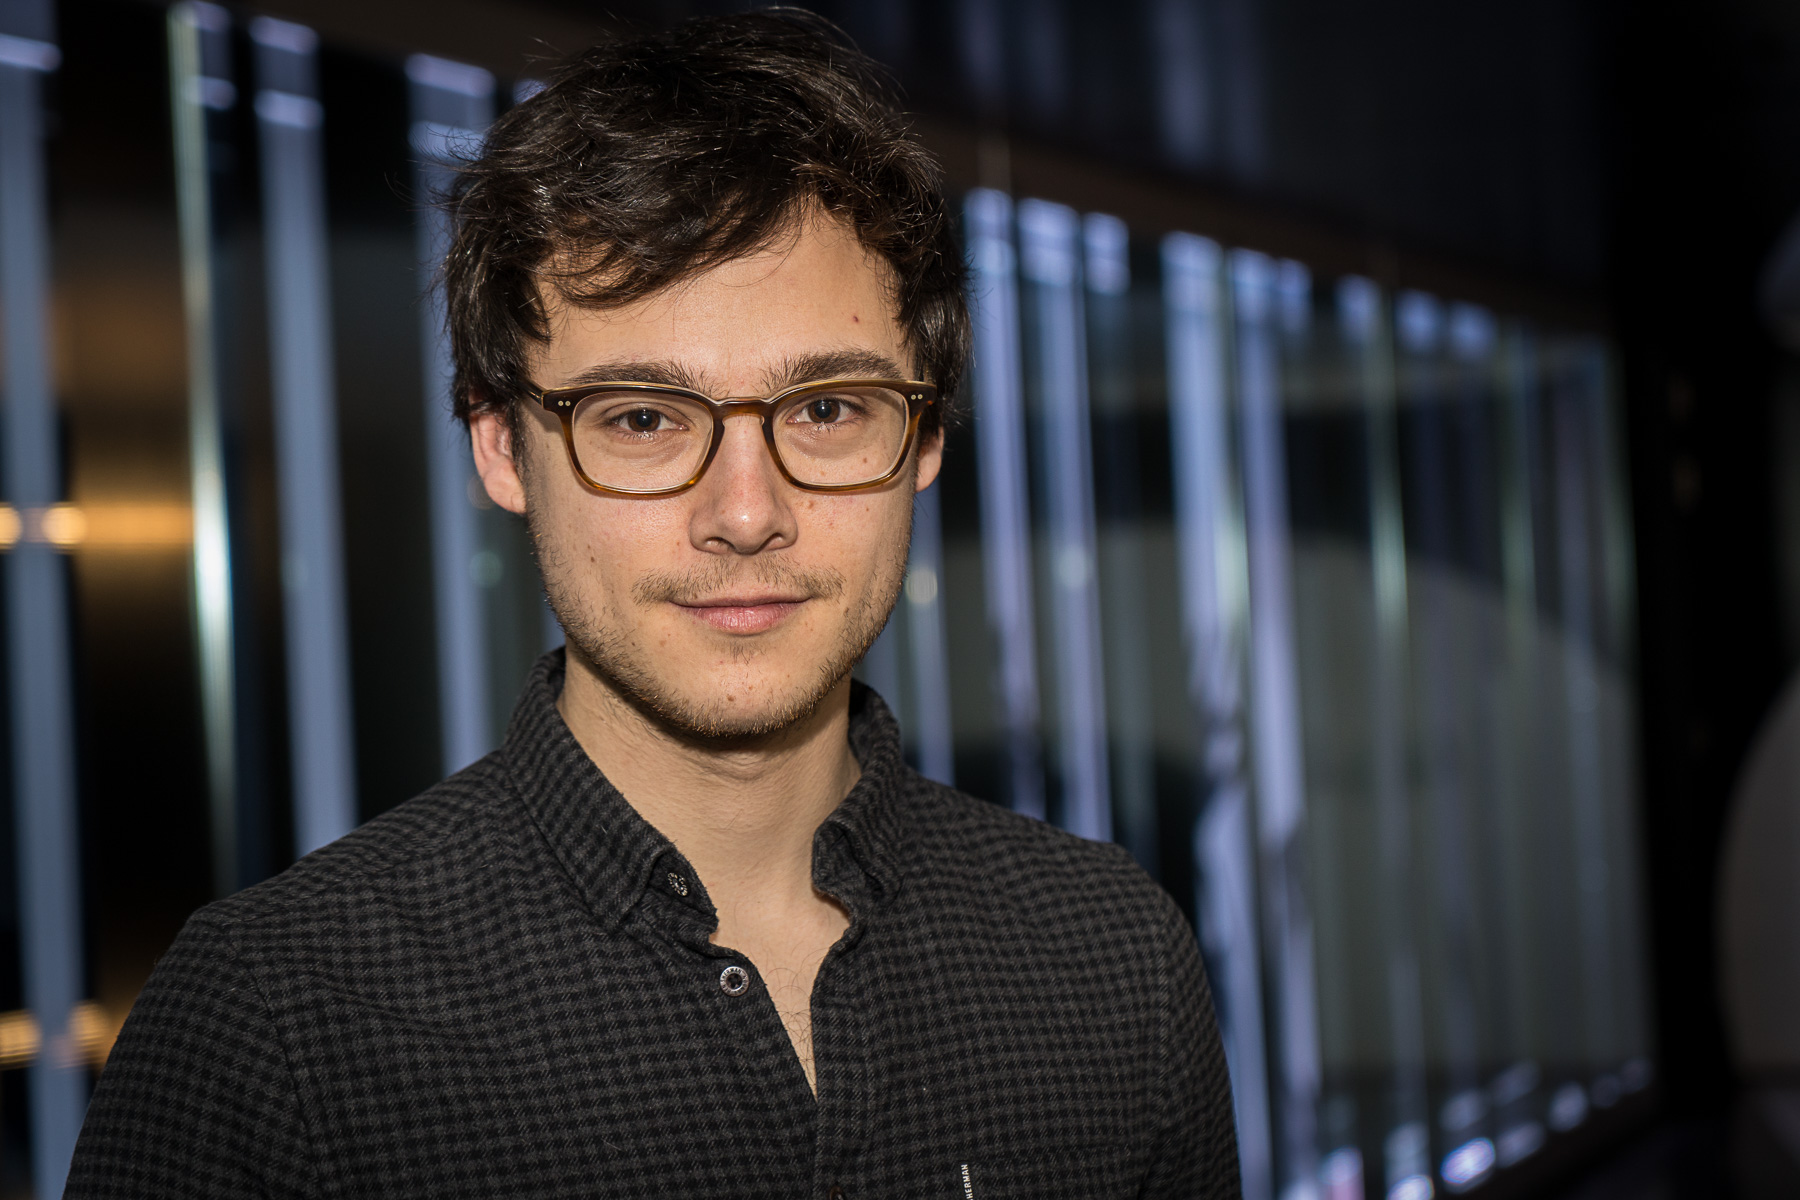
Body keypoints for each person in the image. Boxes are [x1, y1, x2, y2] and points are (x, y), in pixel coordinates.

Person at [66, 12, 1238, 1198]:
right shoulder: (278, 1020)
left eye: (827, 410)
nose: (747, 513)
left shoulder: (1113, 960)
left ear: (925, 437)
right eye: (641, 419)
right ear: (500, 446)